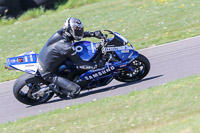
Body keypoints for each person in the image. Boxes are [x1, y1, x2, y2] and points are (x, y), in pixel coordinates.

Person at [37, 17, 105, 98]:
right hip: (49, 73)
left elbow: (75, 35)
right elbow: (80, 64)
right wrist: (96, 65)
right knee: (75, 90)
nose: (79, 32)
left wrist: (93, 34)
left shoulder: (62, 32)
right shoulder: (66, 47)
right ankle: (56, 88)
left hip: (47, 59)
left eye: (80, 30)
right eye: (77, 30)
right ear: (70, 30)